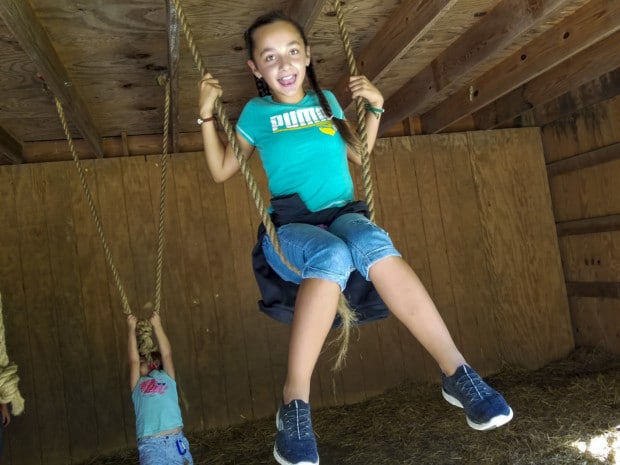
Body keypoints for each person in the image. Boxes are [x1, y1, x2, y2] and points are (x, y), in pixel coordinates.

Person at [198, 10, 513, 465]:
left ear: (306, 56)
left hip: (346, 214)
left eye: (291, 52)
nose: (283, 64)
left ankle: (458, 373)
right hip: (291, 227)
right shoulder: (256, 113)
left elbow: (357, 155)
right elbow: (221, 170)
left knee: (370, 243)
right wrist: (206, 115)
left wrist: (377, 108)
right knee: (329, 253)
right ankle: (294, 405)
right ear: (256, 70)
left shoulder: (325, 100)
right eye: (270, 58)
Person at [127, 312, 193, 465]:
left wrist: (158, 326)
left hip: (177, 443)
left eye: (142, 360)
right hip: (152, 446)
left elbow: (167, 354)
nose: (139, 362)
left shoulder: (168, 378)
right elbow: (133, 361)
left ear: (155, 363)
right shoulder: (137, 385)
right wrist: (131, 329)